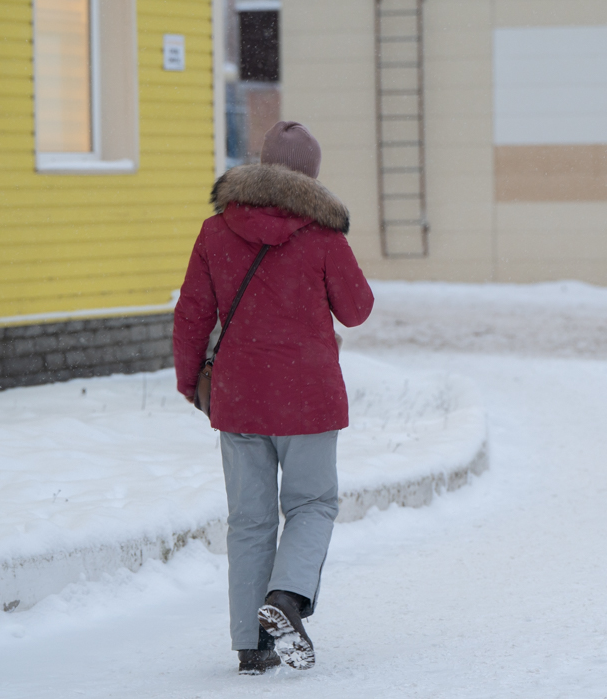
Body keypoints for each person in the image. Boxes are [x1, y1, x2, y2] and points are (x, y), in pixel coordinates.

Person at [173, 121, 374, 674]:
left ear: (260, 165)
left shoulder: (216, 231)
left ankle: (250, 644)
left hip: (239, 399)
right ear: (310, 176)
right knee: (311, 504)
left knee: (250, 519)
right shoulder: (324, 236)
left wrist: (191, 381)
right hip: (308, 399)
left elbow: (192, 312)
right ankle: (286, 598)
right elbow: (357, 310)